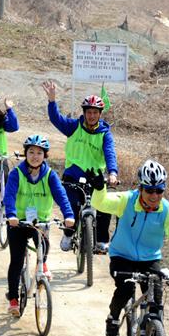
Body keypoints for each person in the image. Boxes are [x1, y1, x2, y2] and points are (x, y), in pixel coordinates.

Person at [85, 160, 169, 336]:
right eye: (149, 190)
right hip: (122, 256)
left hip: (149, 259)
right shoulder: (127, 200)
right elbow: (101, 203)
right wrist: (99, 189)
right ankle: (112, 319)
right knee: (126, 289)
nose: (154, 195)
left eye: (159, 190)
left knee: (156, 299)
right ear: (141, 188)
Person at [42, 80, 118, 254]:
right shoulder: (74, 126)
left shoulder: (105, 134)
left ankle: (101, 241)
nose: (91, 115)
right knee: (72, 207)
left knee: (103, 208)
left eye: (95, 112)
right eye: (89, 112)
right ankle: (68, 234)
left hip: (96, 176)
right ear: (84, 113)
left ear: (100, 114)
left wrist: (112, 173)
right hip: (73, 175)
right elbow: (56, 119)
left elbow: (110, 153)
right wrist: (52, 101)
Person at [4, 136, 75, 314]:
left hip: (40, 223)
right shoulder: (16, 173)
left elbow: (61, 196)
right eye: (31, 152)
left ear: (45, 156)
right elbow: (9, 196)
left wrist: (69, 215)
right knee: (17, 261)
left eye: (39, 153)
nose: (35, 156)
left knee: (44, 244)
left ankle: (41, 265)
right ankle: (13, 299)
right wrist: (11, 215)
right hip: (18, 223)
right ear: (25, 153)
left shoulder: (50, 175)